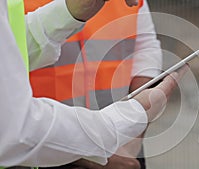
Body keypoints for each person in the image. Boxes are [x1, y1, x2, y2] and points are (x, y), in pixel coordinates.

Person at [0, 0, 188, 167]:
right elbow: (14, 129)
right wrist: (106, 138)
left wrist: (131, 136)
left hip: (120, 144)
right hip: (47, 152)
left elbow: (145, 46)